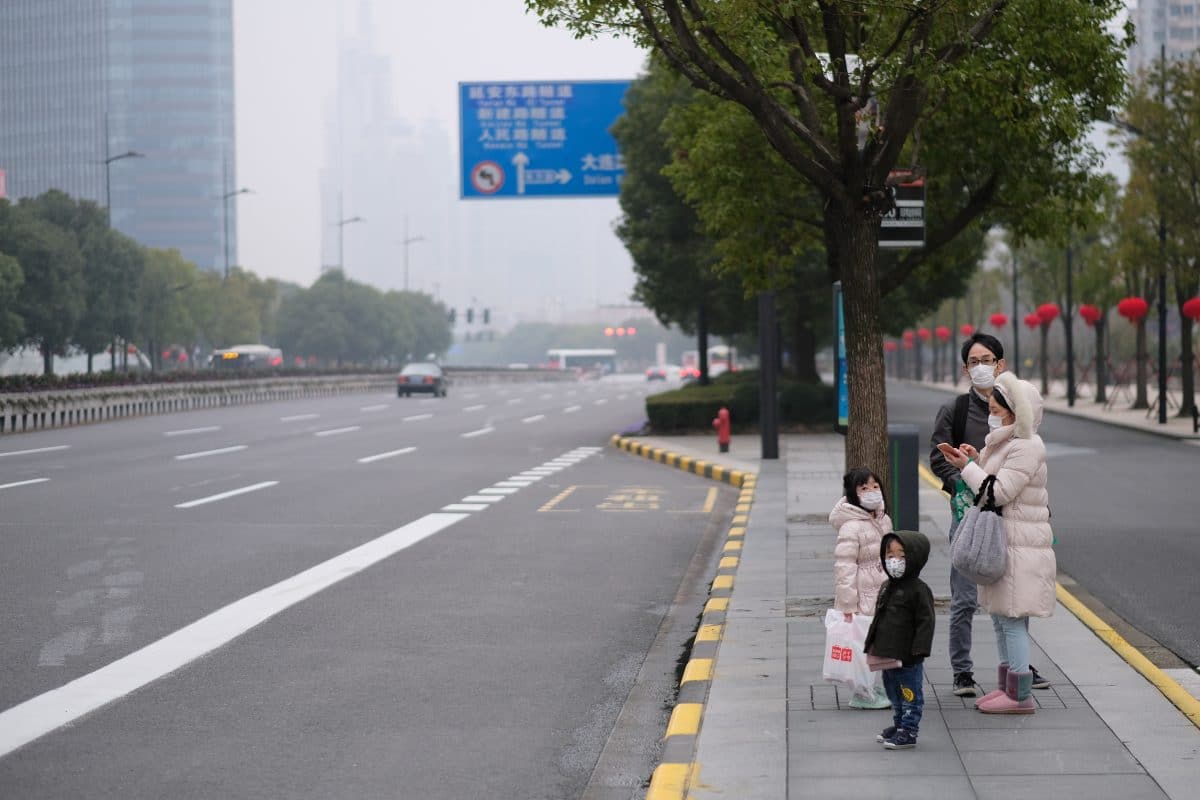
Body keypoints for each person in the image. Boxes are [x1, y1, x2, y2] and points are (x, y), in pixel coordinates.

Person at [929, 332, 1049, 696]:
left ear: (1002, 364)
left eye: (987, 360)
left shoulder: (1022, 414)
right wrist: (961, 481)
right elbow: (939, 457)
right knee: (966, 597)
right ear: (965, 368)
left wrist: (975, 469)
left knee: (1009, 602)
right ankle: (963, 672)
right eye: (973, 362)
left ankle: (1018, 671)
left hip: (1008, 518)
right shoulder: (957, 410)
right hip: (972, 515)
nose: (981, 368)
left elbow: (1013, 478)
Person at [863, 531, 935, 749]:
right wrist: (873, 643)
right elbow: (880, 617)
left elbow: (926, 622)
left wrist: (920, 650)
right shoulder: (887, 586)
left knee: (909, 692)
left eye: (901, 556)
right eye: (890, 555)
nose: (894, 561)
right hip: (889, 652)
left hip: (909, 655)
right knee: (893, 690)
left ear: (914, 558)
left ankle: (909, 729)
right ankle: (899, 723)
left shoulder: (919, 590)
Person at [829, 467, 893, 710]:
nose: (871, 491)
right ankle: (861, 693)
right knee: (862, 645)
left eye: (875, 486)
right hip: (861, 595)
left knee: (873, 643)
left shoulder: (883, 519)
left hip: (880, 591)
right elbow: (844, 568)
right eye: (863, 488)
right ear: (853, 494)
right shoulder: (851, 527)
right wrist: (848, 605)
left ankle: (869, 687)